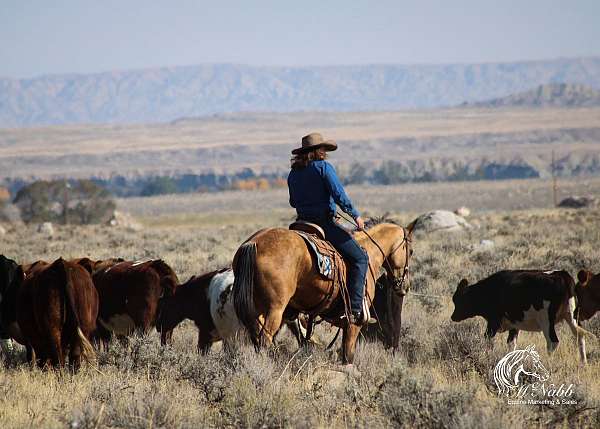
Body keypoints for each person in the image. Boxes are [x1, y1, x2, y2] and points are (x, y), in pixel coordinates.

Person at [287, 132, 369, 325]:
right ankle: (355, 309)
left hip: (300, 224)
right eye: (322, 149)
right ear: (318, 151)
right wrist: (355, 215)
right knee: (360, 258)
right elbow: (339, 195)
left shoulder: (293, 173)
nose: (324, 152)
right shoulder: (323, 168)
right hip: (323, 223)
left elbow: (292, 201)